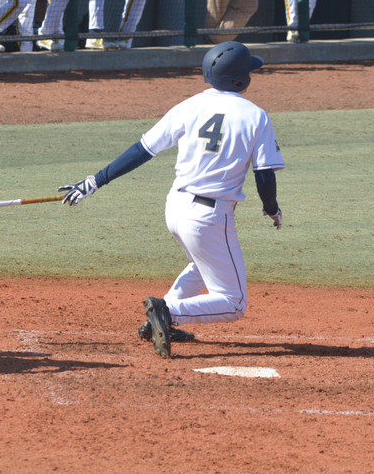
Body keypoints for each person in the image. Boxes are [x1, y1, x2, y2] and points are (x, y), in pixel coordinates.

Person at [57, 41, 284, 359]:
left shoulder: (188, 106)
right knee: (234, 303)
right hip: (208, 217)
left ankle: (163, 319)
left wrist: (96, 180)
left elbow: (142, 150)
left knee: (202, 265)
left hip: (175, 208)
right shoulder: (256, 117)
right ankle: (168, 313)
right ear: (240, 79)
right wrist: (271, 208)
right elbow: (264, 175)